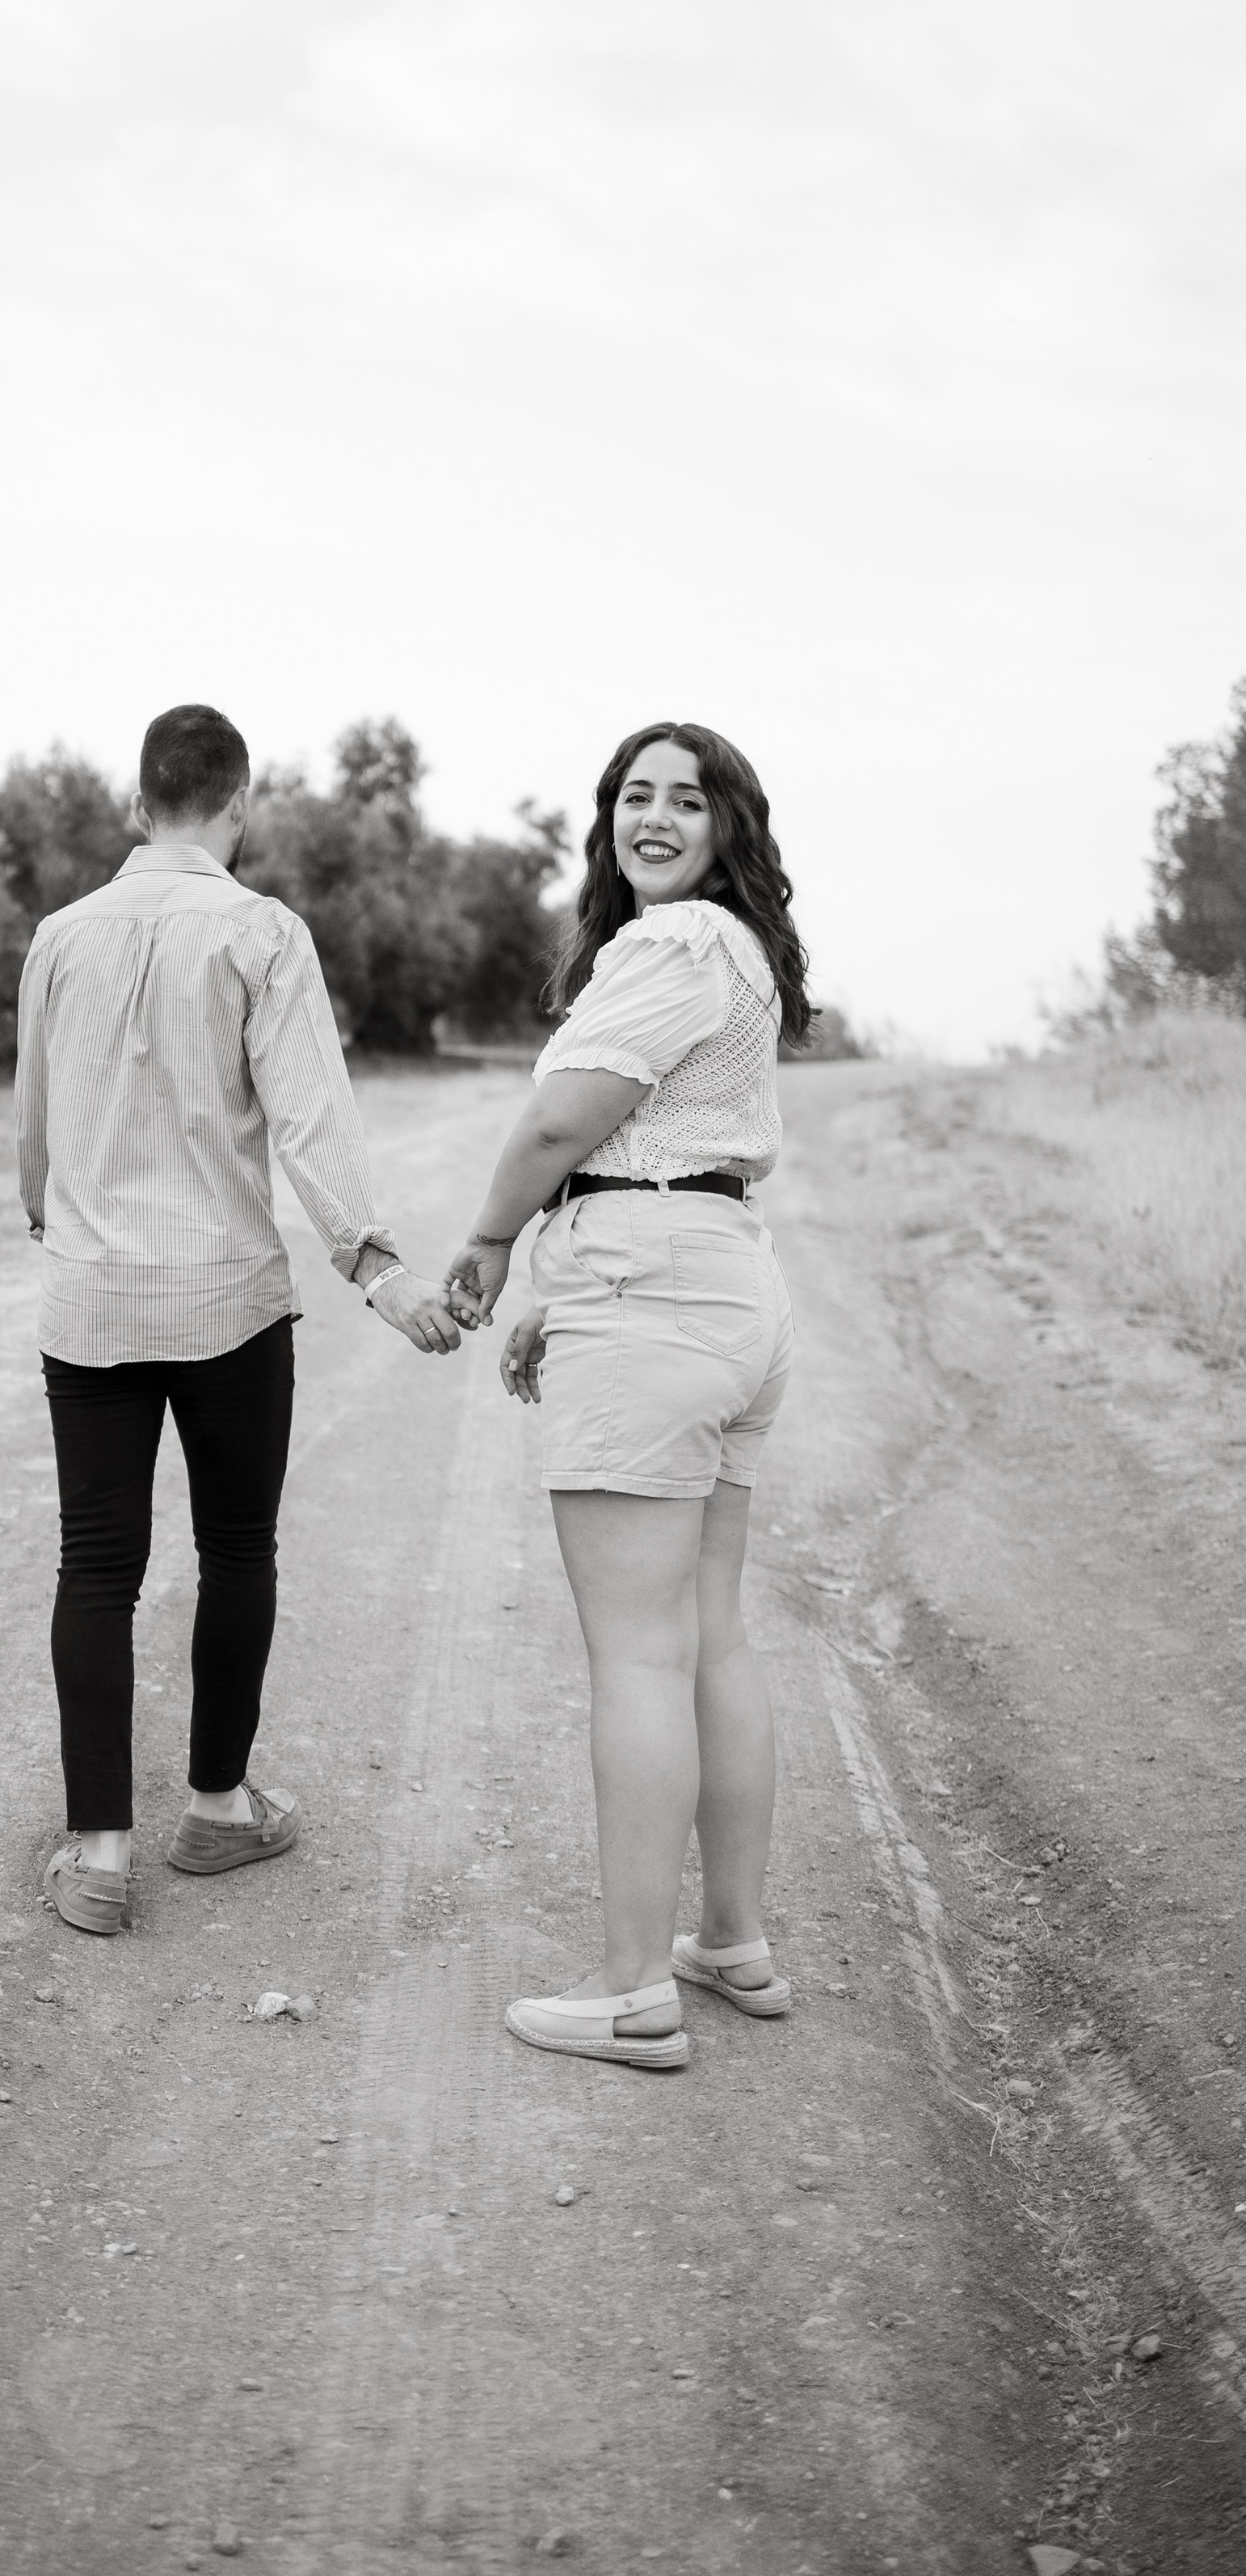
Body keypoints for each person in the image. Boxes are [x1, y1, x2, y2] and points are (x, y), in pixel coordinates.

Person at [17, 702, 469, 1936]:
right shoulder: (263, 933)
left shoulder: (60, 935)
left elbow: (36, 1130)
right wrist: (375, 1266)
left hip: (93, 1298)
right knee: (237, 1550)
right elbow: (312, 1121)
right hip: (228, 1297)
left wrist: (56, 1225)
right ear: (239, 803)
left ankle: (100, 1853)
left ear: (137, 801)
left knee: (95, 1566)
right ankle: (218, 1808)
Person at [443, 723, 807, 2068]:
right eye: (634, 797)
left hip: (656, 1298)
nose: (655, 817)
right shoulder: (736, 951)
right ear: (608, 819)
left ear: (729, 825)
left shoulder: (670, 946)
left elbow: (560, 1127)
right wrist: (564, 1278)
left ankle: (633, 1993)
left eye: (686, 799)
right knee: (708, 1631)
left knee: (641, 1654)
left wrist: (488, 1243)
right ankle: (735, 1941)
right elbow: (657, 1153)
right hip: (719, 1283)